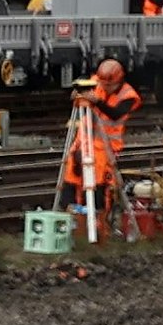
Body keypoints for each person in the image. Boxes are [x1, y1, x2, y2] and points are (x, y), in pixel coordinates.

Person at [59, 59, 142, 215]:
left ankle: (97, 216)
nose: (104, 87)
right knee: (72, 173)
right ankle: (69, 210)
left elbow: (115, 114)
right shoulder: (96, 82)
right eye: (103, 84)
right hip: (83, 140)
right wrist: (78, 95)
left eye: (109, 85)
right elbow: (82, 92)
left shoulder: (128, 95)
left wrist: (97, 101)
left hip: (106, 146)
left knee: (97, 180)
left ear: (119, 81)